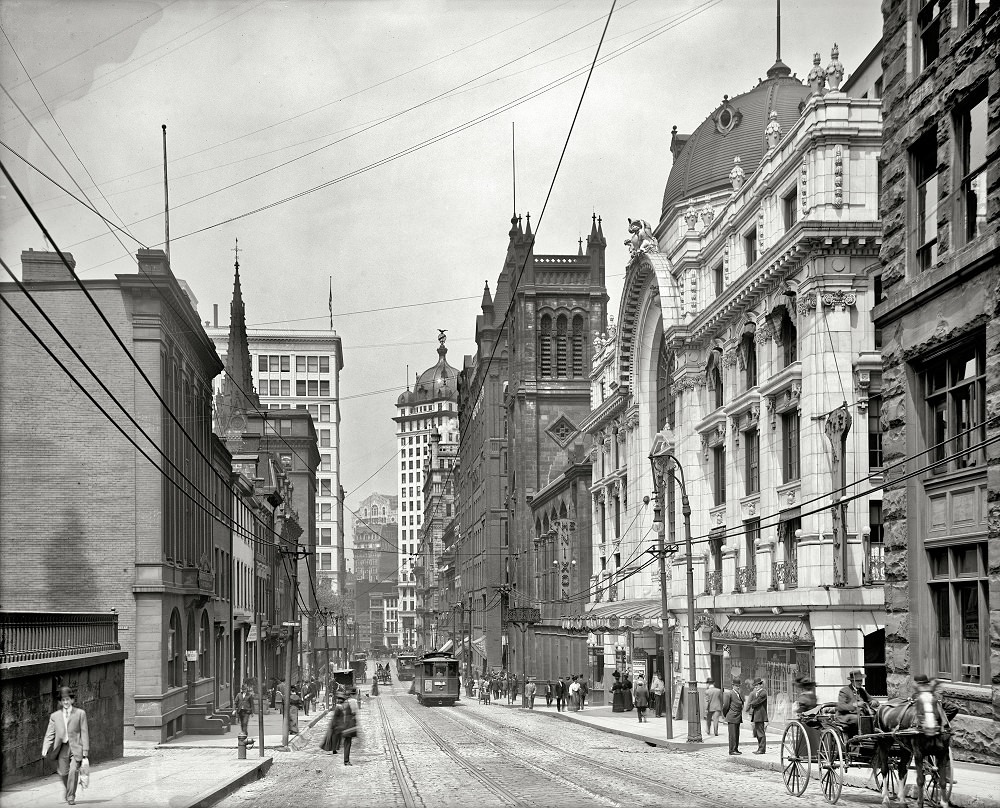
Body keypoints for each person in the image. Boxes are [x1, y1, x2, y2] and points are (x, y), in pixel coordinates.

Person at [41, 686, 89, 806]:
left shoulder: (80, 714)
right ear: (60, 702)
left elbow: (84, 732)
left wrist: (85, 750)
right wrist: (45, 747)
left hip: (76, 747)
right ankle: (69, 790)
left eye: (68, 699)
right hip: (62, 748)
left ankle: (71, 796)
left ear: (72, 700)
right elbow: (49, 734)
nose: (66, 702)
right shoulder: (55, 716)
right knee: (63, 773)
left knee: (73, 770)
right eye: (63, 700)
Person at [837, 669, 874, 738]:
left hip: (861, 716)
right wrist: (855, 705)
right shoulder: (844, 691)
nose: (860, 682)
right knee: (858, 719)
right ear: (852, 681)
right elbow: (840, 707)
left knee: (873, 718)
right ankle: (857, 738)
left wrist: (873, 702)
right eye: (857, 680)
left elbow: (871, 700)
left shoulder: (862, 691)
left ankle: (870, 738)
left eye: (860, 680)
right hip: (846, 716)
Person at [721, 676, 744, 755]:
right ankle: (732, 750)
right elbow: (725, 706)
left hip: (737, 717)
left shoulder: (738, 694)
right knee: (732, 735)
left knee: (737, 734)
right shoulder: (729, 694)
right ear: (733, 686)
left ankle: (736, 748)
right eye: (736, 685)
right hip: (732, 717)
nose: (738, 687)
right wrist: (725, 715)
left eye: (739, 686)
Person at [746, 677, 768, 754]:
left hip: (760, 715)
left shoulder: (763, 692)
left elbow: (757, 701)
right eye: (755, 685)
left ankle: (762, 749)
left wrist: (751, 703)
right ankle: (760, 748)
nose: (756, 686)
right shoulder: (757, 692)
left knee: (761, 733)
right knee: (758, 733)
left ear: (761, 684)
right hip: (757, 715)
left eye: (757, 685)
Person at [342, 690, 360, 765]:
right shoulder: (353, 701)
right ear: (353, 695)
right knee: (348, 743)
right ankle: (346, 760)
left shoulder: (345, 702)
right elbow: (354, 712)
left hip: (344, 724)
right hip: (349, 725)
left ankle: (346, 759)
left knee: (346, 742)